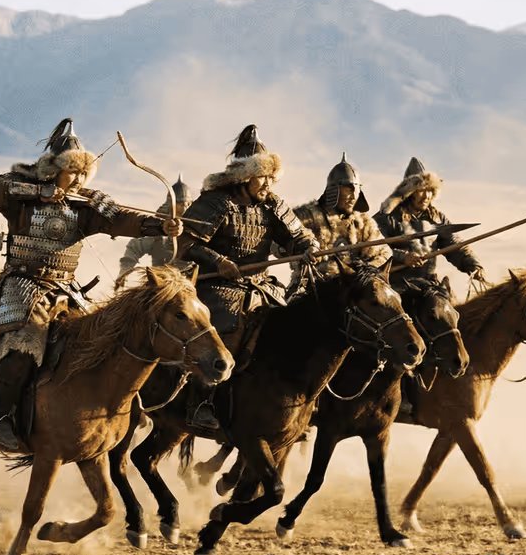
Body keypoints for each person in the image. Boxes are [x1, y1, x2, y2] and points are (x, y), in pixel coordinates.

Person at [0, 118, 182, 449]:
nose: (79, 178)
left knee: (106, 342)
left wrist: (158, 226)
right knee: (24, 347)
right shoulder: (22, 197)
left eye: (83, 172)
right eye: (72, 171)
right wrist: (38, 191)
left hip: (66, 290)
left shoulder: (87, 203)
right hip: (23, 285)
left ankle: (118, 407)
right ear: (52, 169)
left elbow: (121, 217)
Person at [175, 124, 319, 429]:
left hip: (261, 286)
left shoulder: (273, 204)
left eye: (271, 177)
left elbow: (296, 236)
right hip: (216, 284)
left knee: (294, 330)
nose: (268, 183)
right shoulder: (216, 202)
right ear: (244, 176)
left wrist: (307, 246)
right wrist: (218, 259)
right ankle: (203, 401)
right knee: (224, 331)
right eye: (262, 176)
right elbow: (187, 244)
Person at [373, 157, 485, 291]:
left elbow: (454, 246)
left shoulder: (437, 218)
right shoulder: (387, 217)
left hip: (427, 285)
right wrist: (403, 257)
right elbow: (374, 249)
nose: (426, 196)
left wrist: (473, 265)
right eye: (421, 190)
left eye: (430, 190)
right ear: (409, 192)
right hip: (394, 286)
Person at [286, 153, 390, 293]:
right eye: (349, 188)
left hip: (351, 290)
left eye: (357, 188)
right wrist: (301, 248)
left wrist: (360, 273)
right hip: (311, 288)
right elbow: (279, 245)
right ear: (334, 189)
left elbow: (383, 253)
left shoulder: (364, 223)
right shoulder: (307, 216)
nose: (354, 195)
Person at [116, 175, 194, 287]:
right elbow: (134, 247)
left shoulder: (196, 230)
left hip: (191, 286)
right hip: (161, 286)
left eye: (188, 204)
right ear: (172, 204)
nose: (185, 208)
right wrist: (124, 271)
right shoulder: (159, 228)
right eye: (181, 204)